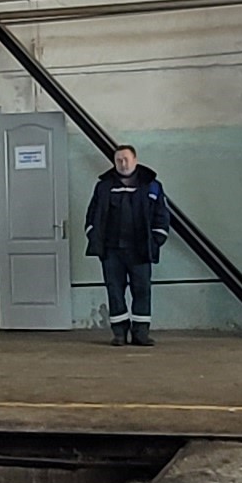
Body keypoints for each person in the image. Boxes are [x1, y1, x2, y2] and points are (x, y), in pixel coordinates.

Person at [85, 144, 171, 347]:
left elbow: (162, 216)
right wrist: (94, 237)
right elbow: (92, 216)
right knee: (115, 291)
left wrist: (156, 240)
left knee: (142, 290)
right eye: (118, 160)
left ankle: (141, 334)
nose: (123, 164)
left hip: (140, 250)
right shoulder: (104, 187)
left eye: (126, 159)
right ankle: (119, 334)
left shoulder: (152, 186)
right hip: (111, 251)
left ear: (135, 160)